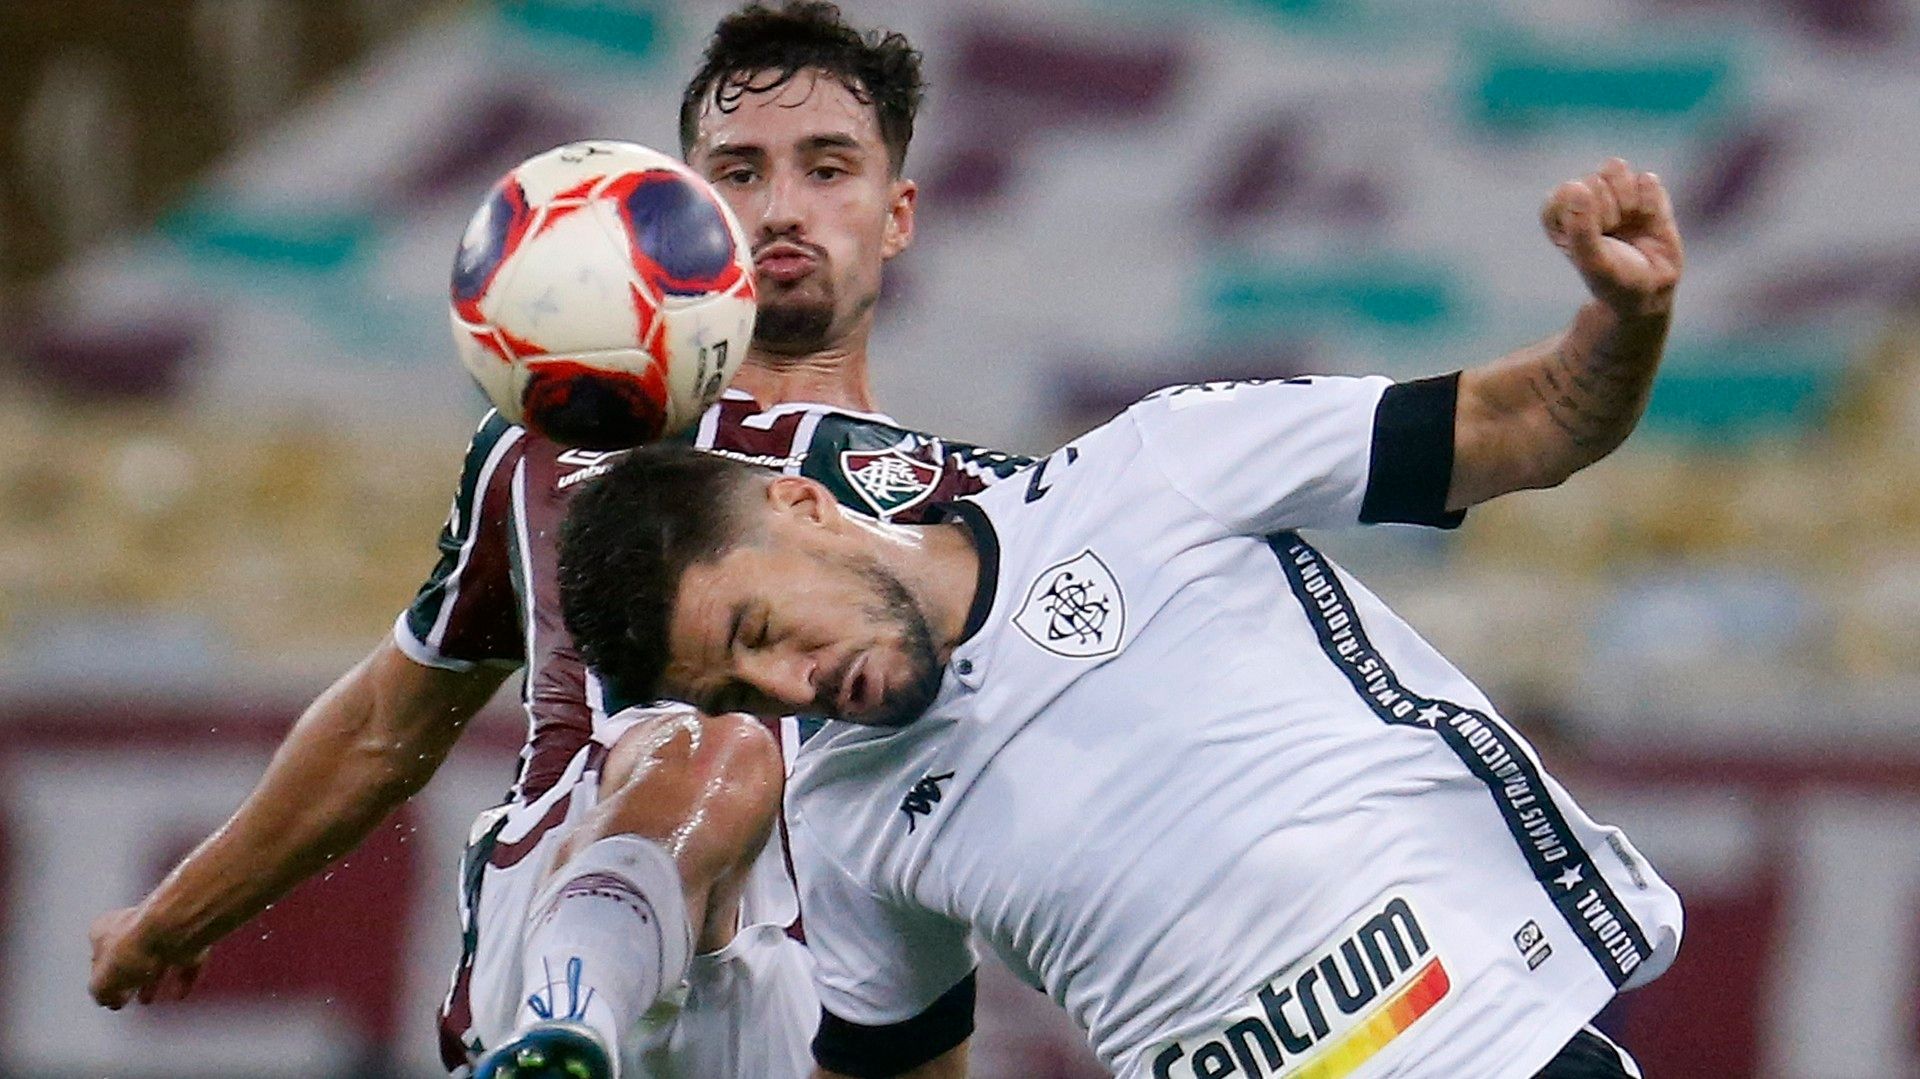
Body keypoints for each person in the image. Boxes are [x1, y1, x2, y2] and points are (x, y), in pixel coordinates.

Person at [557, 158, 1688, 1079]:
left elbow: (1529, 422)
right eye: (742, 695)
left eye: (760, 629)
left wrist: (1626, 316)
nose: (794, 689)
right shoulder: (848, 813)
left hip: (1498, 1046)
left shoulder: (1156, 472)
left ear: (801, 503)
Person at [84, 4, 1029, 1078]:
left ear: (897, 212)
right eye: (740, 172)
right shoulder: (560, 434)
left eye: (827, 170)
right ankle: (566, 1025)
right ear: (688, 207)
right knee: (712, 742)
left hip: (824, 1009)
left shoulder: (974, 511)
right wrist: (173, 915)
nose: (780, 210)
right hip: (584, 933)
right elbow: (389, 725)